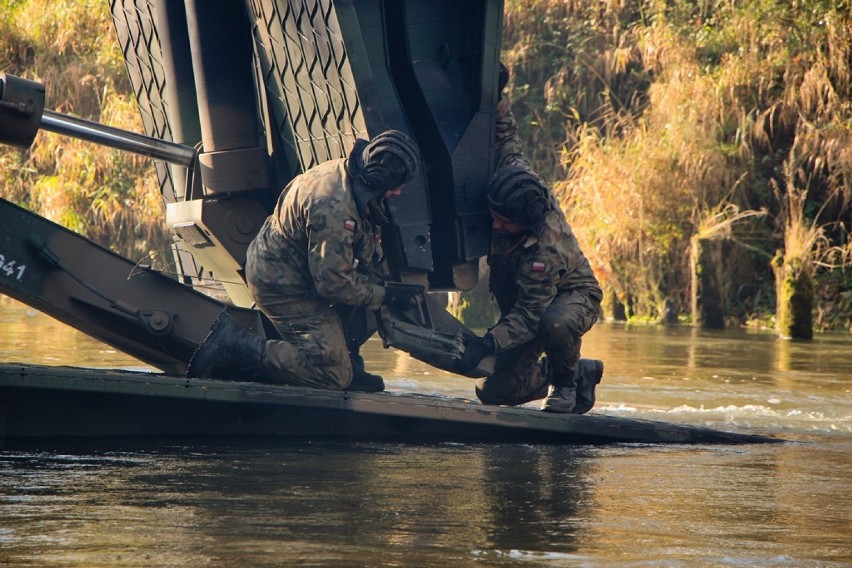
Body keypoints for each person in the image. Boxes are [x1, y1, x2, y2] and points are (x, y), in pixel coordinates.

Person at [186, 130, 424, 392]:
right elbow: (334, 286)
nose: (399, 192)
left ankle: (348, 361)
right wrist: (387, 295)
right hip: (281, 286)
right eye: (396, 185)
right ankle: (236, 346)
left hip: (298, 272)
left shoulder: (349, 174)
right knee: (333, 374)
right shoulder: (334, 209)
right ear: (378, 178)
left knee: (366, 298)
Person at [454, 165, 604, 414]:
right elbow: (506, 141)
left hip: (571, 297)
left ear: (525, 225)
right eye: (495, 215)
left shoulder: (545, 251)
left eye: (505, 222)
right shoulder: (517, 188)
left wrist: (488, 344)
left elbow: (531, 314)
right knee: (494, 391)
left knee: (556, 322)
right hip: (526, 304)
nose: (496, 224)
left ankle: (565, 384)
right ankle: (578, 371)